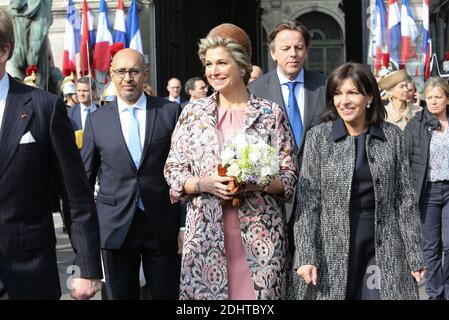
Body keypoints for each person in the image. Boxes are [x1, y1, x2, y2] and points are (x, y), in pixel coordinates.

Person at [164, 23, 298, 300]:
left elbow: (289, 176)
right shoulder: (193, 114)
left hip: (262, 242)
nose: (213, 71)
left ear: (241, 66)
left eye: (222, 63)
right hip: (204, 240)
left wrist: (254, 183)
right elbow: (173, 170)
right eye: (209, 64)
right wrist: (203, 183)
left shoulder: (270, 114)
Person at [289, 62, 425, 300]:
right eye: (338, 93)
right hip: (331, 248)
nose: (345, 101)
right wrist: (306, 255)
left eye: (352, 92)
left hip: (384, 245)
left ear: (370, 96)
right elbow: (308, 204)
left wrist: (414, 254)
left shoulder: (392, 136)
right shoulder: (319, 138)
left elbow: (405, 200)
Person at [0, 9, 101, 299]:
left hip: (28, 273)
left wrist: (87, 265)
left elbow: (75, 194)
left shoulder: (44, 107)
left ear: (5, 50)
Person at [81, 48, 182, 300]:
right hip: (115, 228)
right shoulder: (96, 120)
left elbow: (184, 170)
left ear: (144, 74)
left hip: (161, 224)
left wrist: (182, 224)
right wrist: (86, 236)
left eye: (134, 71)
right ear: (112, 76)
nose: (128, 78)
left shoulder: (169, 112)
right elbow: (84, 181)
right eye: (121, 72)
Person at [248, 20, 327, 256]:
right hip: (272, 196)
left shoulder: (325, 87)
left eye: (299, 47)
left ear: (306, 50)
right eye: (285, 48)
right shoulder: (255, 91)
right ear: (273, 53)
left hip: (318, 193)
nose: (293, 54)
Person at [404, 77, 449, 300]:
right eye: (429, 97)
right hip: (428, 192)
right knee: (431, 248)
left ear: (447, 99)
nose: (432, 102)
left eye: (438, 97)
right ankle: (436, 294)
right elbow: (405, 159)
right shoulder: (416, 124)